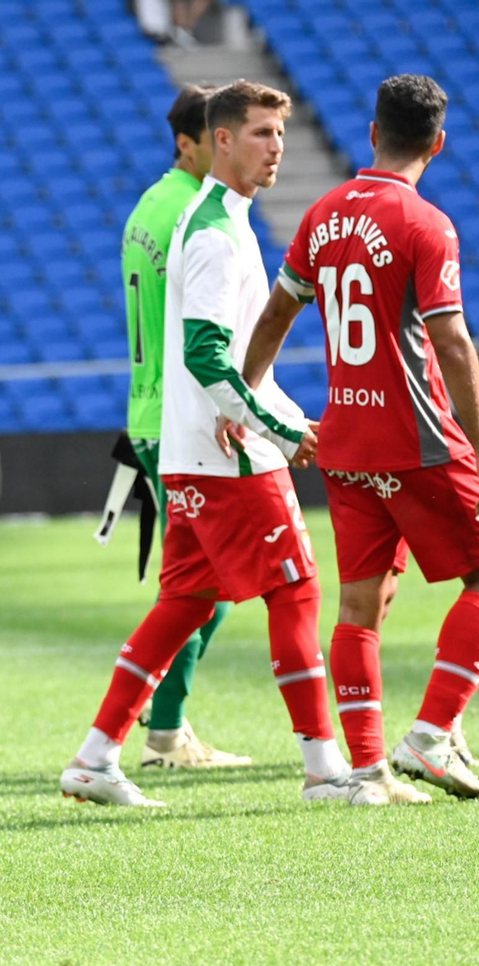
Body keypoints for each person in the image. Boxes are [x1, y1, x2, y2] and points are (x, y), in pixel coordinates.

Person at [57, 80, 412, 808]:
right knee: (297, 588)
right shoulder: (218, 232)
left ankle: (95, 758)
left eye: (280, 134)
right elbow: (207, 356)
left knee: (185, 601)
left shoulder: (219, 219)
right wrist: (277, 428)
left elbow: (232, 363)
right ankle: (322, 769)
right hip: (226, 457)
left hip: (192, 448)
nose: (276, 147)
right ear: (220, 140)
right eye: (260, 133)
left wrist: (280, 411)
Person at [242, 74, 479, 799]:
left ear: (371, 133)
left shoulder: (321, 215)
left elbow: (278, 315)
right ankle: (433, 734)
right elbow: (452, 344)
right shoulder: (425, 224)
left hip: (344, 440)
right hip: (419, 438)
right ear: (436, 144)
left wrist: (249, 393)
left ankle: (368, 768)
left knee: (360, 606)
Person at [120, 84, 250, 769]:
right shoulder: (193, 216)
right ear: (190, 143)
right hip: (181, 421)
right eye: (219, 139)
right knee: (209, 585)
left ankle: (161, 719)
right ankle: (160, 724)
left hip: (151, 410)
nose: (230, 150)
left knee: (203, 581)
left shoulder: (152, 205)